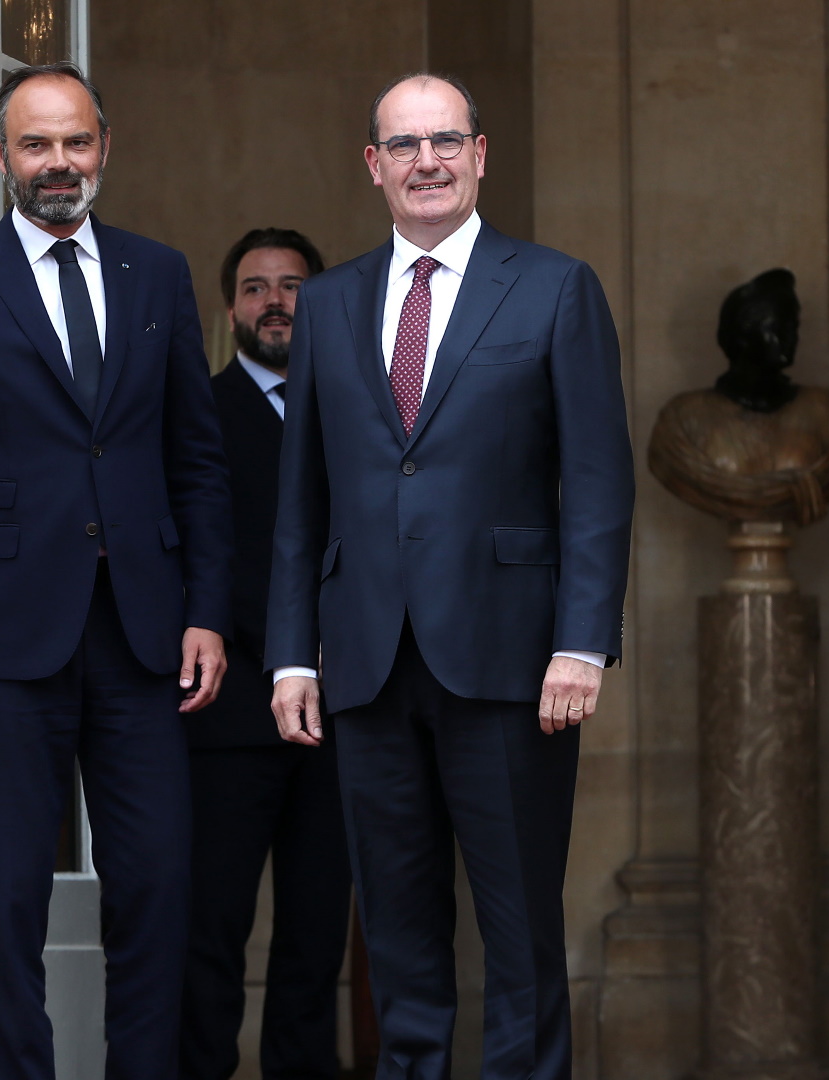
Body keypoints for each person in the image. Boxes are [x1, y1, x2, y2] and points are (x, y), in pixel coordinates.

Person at [264, 73, 634, 1079]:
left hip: (512, 662)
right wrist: (291, 655)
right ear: (373, 165)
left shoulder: (555, 287)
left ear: (479, 155)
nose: (426, 161)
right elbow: (301, 496)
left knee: (519, 934)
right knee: (397, 937)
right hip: (366, 665)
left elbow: (598, 483)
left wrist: (581, 642)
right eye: (404, 144)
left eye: (445, 141)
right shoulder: (329, 302)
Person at [0, 62, 231, 1079]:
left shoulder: (158, 273)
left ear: (104, 148)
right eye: (36, 144)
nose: (58, 162)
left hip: (145, 638)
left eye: (75, 141)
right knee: (9, 898)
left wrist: (208, 609)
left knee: (156, 890)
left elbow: (197, 463)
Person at [181, 228, 353, 1080]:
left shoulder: (357, 413)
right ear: (230, 309)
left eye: (292, 286)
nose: (275, 302)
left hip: (343, 716)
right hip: (230, 715)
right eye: (255, 288)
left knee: (318, 935)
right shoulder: (196, 413)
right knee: (209, 930)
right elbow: (195, 554)